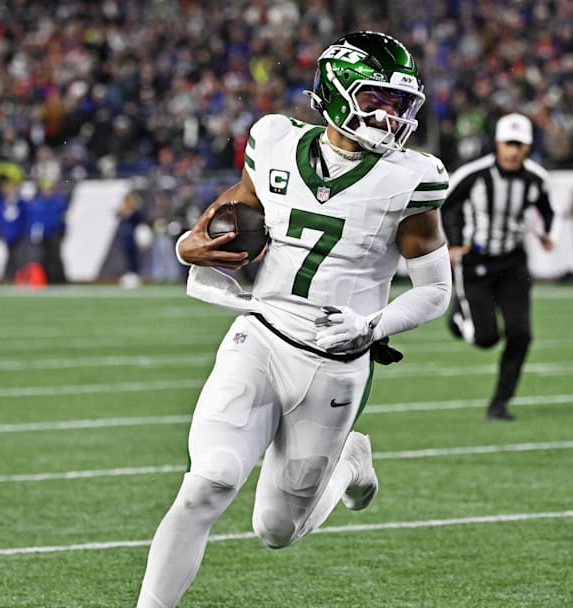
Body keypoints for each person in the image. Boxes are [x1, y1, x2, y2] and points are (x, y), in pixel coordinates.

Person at [137, 32, 451, 608]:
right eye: (376, 99)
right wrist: (188, 245)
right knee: (209, 481)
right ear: (334, 93)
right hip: (259, 336)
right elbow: (228, 216)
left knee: (275, 530)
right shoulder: (275, 141)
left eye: (399, 104)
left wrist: (373, 326)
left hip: (336, 363)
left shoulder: (410, 179)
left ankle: (350, 458)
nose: (391, 117)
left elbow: (435, 291)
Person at [441, 112, 555, 421]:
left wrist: (545, 235)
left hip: (513, 263)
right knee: (486, 338)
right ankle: (458, 320)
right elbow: (446, 205)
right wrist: (452, 243)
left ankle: (500, 402)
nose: (514, 151)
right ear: (497, 144)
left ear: (528, 147)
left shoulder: (535, 178)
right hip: (476, 260)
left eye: (520, 145)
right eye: (509, 144)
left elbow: (546, 209)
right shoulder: (474, 174)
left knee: (521, 333)